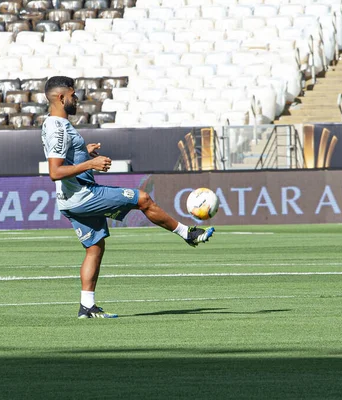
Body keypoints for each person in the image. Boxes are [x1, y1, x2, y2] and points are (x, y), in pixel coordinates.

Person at [40, 76, 214, 319]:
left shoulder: (55, 124)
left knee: (94, 247)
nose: (75, 99)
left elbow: (64, 156)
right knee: (142, 198)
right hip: (83, 196)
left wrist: (82, 152)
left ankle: (87, 307)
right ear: (61, 98)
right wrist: (91, 162)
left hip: (71, 199)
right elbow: (54, 172)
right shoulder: (57, 127)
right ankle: (187, 233)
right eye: (72, 95)